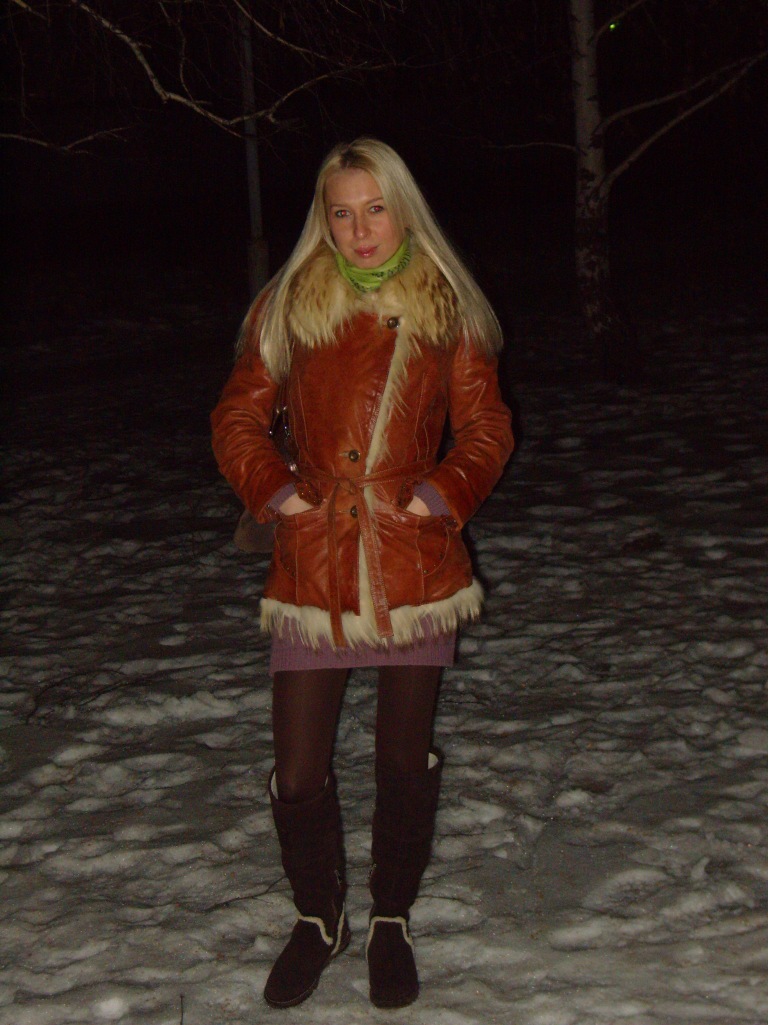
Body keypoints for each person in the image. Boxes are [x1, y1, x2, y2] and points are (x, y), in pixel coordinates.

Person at [210, 137, 514, 1010]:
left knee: (402, 758)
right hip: (315, 557)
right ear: (324, 218)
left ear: (403, 209)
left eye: (375, 207)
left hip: (412, 558)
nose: (359, 228)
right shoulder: (289, 303)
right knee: (299, 769)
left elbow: (488, 428)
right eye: (341, 211)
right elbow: (236, 417)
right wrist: (277, 494)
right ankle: (319, 916)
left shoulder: (445, 304)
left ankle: (389, 917)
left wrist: (438, 496)